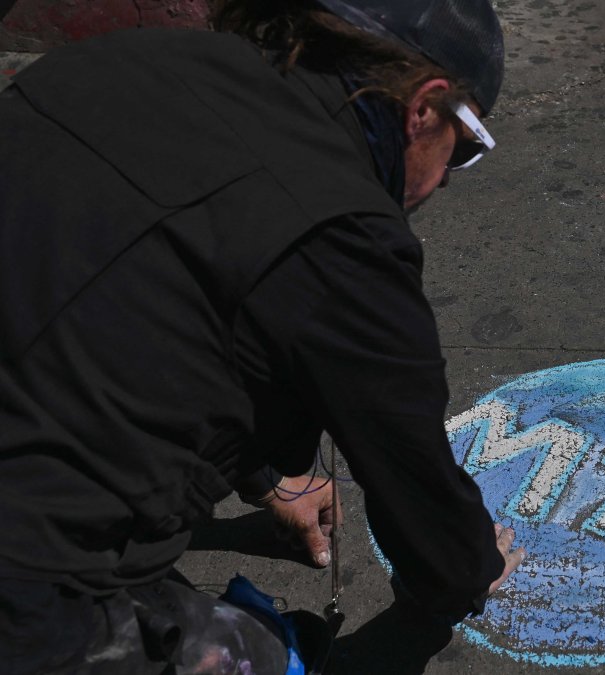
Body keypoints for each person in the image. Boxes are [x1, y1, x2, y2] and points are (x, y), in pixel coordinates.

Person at [0, 0, 524, 672]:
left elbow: (145, 302)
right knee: (256, 650)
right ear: (424, 108)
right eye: (468, 145)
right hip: (26, 588)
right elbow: (412, 470)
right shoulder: (344, 238)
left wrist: (269, 476)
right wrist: (468, 565)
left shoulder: (125, 65)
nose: (451, 176)